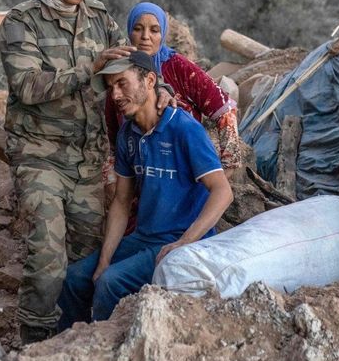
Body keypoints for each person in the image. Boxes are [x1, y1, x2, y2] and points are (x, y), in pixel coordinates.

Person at [0, 0, 137, 345]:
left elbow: (125, 66)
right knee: (47, 253)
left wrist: (160, 84)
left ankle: (74, 336)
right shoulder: (22, 22)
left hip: (88, 158)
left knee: (88, 256)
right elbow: (27, 86)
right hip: (39, 154)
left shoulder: (99, 18)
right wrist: (88, 69)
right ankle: (34, 344)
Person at [57, 51, 234, 329]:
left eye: (122, 83)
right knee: (76, 277)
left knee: (109, 282)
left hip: (178, 240)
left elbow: (223, 192)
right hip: (143, 237)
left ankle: (102, 351)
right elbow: (121, 201)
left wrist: (184, 243)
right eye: (111, 87)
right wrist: (104, 259)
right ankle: (68, 347)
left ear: (149, 80)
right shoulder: (128, 134)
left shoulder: (184, 129)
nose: (114, 95)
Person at [105, 2, 241, 190]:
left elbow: (224, 108)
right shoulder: (120, 73)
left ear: (163, 35)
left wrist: (227, 167)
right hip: (140, 176)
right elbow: (113, 138)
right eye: (138, 29)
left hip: (182, 173)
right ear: (129, 31)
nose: (145, 37)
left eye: (154, 30)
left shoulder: (177, 66)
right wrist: (113, 181)